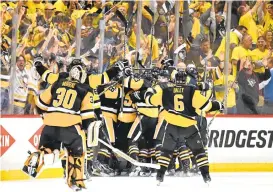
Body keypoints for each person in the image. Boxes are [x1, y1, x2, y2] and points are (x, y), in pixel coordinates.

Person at [131, 69, 223, 185]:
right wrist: (219, 104)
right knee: (199, 151)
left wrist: (149, 90)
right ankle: (206, 177)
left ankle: (160, 177)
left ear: (174, 80)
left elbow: (150, 100)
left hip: (171, 126)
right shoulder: (192, 91)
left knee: (166, 151)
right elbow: (206, 106)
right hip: (189, 126)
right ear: (186, 80)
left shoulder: (166, 91)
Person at [22, 61, 98, 191]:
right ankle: (76, 180)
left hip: (49, 125)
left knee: (51, 150)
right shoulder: (86, 89)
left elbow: (40, 103)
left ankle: (39, 155)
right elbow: (87, 117)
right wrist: (88, 128)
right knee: (77, 152)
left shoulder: (57, 84)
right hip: (70, 125)